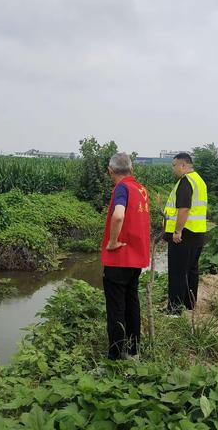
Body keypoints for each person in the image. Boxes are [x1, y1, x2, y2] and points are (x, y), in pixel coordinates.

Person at [101, 153, 150, 360]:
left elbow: (119, 214)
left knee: (116, 308)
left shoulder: (122, 188)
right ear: (131, 169)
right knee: (132, 303)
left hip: (119, 258)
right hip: (136, 259)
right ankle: (133, 350)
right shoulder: (141, 189)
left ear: (111, 171)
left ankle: (114, 356)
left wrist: (112, 242)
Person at [163, 152, 207, 315]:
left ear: (183, 165)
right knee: (191, 270)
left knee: (177, 272)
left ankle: (174, 310)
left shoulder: (186, 182)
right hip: (197, 233)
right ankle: (189, 305)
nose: (173, 168)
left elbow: (184, 209)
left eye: (174, 165)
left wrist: (177, 231)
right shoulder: (199, 181)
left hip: (184, 234)